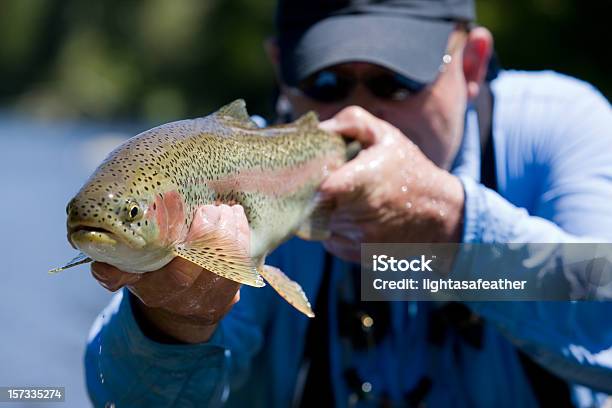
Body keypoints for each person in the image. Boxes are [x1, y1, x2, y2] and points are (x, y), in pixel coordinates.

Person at [85, 0, 612, 406]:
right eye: (325, 80)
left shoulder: (560, 129)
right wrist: (171, 324)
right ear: (281, 71)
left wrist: (449, 227)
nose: (361, 111)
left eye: (395, 81)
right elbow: (117, 394)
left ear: (472, 65)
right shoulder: (248, 171)